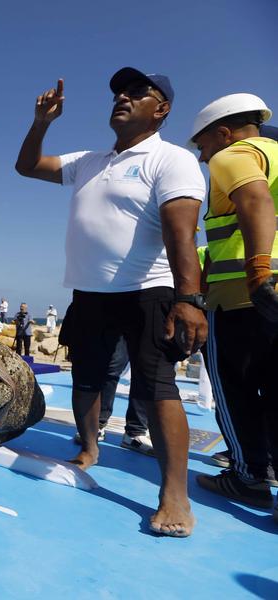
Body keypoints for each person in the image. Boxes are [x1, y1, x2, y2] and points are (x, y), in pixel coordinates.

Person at [15, 68, 207, 537]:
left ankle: (174, 493)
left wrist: (189, 299)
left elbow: (181, 234)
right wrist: (41, 123)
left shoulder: (172, 159)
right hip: (89, 292)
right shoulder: (88, 161)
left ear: (161, 109)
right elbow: (27, 166)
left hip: (149, 290)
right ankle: (88, 447)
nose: (123, 97)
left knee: (157, 387)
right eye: (120, 91)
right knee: (86, 377)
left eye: (138, 92)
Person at [189, 93, 278, 515]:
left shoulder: (233, 155)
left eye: (202, 145)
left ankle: (248, 477)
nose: (202, 156)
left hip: (240, 298)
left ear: (223, 134)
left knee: (235, 391)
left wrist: (258, 270)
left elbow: (255, 201)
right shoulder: (275, 154)